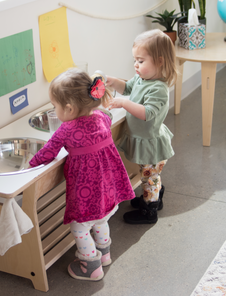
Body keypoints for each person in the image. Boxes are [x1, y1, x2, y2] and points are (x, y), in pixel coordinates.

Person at [29, 68, 135, 281]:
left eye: (54, 106)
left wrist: (30, 164)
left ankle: (91, 265)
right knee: (101, 219)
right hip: (106, 187)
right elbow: (103, 118)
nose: (54, 109)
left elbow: (48, 153)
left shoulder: (66, 129)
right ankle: (104, 254)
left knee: (79, 227)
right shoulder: (101, 117)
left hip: (86, 192)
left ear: (68, 109)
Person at [106, 29, 177, 225]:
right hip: (144, 140)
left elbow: (147, 113)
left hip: (151, 144)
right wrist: (114, 83)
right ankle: (154, 197)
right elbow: (128, 88)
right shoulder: (142, 78)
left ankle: (149, 211)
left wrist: (123, 103)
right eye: (135, 60)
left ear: (160, 61)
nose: (136, 65)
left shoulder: (158, 88)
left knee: (150, 177)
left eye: (141, 61)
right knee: (149, 176)